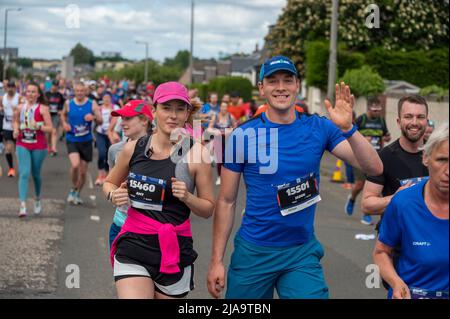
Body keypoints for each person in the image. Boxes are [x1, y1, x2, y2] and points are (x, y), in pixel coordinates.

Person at [207, 55, 383, 299]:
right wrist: (216, 261)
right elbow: (226, 201)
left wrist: (349, 129)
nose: (281, 87)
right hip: (254, 253)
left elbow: (373, 167)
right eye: (272, 81)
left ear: (297, 85)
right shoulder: (242, 135)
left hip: (301, 253)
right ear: (261, 88)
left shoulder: (318, 127)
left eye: (287, 80)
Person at [104, 81, 215, 299]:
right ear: (154, 111)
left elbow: (208, 208)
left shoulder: (197, 154)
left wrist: (188, 197)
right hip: (134, 245)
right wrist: (113, 194)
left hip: (174, 251)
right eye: (166, 108)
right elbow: (109, 182)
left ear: (187, 114)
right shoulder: (133, 148)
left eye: (179, 109)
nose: (173, 115)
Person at [373, 123, 448, 299]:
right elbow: (381, 251)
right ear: (426, 158)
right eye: (442, 160)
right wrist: (396, 283)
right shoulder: (403, 202)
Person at [106, 100, 154, 248]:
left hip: (150, 229)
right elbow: (111, 184)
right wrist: (113, 195)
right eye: (122, 119)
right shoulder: (115, 150)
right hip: (120, 225)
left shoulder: (161, 149)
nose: (122, 123)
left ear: (144, 120)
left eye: (128, 118)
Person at [345, 96, 391, 225]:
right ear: (369, 108)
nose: (376, 112)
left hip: (377, 158)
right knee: (360, 184)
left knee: (372, 188)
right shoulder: (361, 119)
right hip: (361, 158)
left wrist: (387, 138)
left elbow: (386, 135)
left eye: (378, 110)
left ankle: (366, 215)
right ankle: (352, 198)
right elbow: (352, 136)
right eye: (374, 110)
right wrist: (364, 139)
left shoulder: (382, 121)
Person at [12, 82, 53, 217]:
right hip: (22, 143)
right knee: (24, 173)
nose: (30, 94)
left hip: (38, 146)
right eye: (28, 91)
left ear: (38, 94)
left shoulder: (43, 109)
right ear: (25, 93)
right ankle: (22, 205)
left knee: (35, 174)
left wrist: (39, 126)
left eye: (33, 92)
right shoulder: (19, 107)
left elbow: (50, 128)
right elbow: (15, 121)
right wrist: (16, 129)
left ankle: (37, 198)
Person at [61, 82, 102, 205]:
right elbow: (63, 115)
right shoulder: (68, 103)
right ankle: (74, 188)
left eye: (81, 91)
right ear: (74, 91)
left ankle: (77, 193)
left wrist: (94, 117)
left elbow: (101, 120)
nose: (79, 93)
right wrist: (64, 123)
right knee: (75, 165)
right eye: (77, 91)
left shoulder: (92, 104)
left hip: (86, 140)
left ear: (85, 91)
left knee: (83, 172)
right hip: (72, 139)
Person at [206, 101, 237, 186]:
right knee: (219, 160)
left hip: (228, 140)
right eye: (222, 107)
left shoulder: (231, 117)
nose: (224, 108)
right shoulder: (215, 117)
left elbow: (236, 128)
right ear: (220, 107)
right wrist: (215, 131)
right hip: (218, 139)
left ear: (227, 108)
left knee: (227, 159)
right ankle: (219, 177)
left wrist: (230, 130)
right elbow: (209, 128)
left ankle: (228, 177)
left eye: (225, 107)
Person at [95, 93, 120, 186]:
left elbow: (118, 119)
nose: (106, 99)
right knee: (101, 153)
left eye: (108, 98)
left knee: (109, 155)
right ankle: (100, 175)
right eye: (104, 98)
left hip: (112, 134)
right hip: (100, 133)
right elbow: (96, 120)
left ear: (111, 99)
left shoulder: (115, 107)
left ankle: (107, 175)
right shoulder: (98, 108)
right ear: (102, 99)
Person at [0, 80, 20, 177]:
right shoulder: (2, 98)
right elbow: (1, 107)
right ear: (6, 87)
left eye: (12, 87)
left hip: (18, 126)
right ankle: (11, 169)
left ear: (15, 88)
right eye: (9, 86)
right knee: (8, 148)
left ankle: (24, 168)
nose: (11, 88)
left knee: (19, 150)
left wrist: (17, 110)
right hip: (7, 126)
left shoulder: (19, 97)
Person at [45, 80, 65, 156]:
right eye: (54, 85)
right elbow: (42, 103)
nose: (55, 87)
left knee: (54, 131)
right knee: (47, 133)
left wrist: (61, 111)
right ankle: (48, 146)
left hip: (56, 115)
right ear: (51, 85)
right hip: (47, 115)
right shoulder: (46, 94)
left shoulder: (59, 95)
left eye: (56, 85)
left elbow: (63, 104)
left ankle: (54, 148)